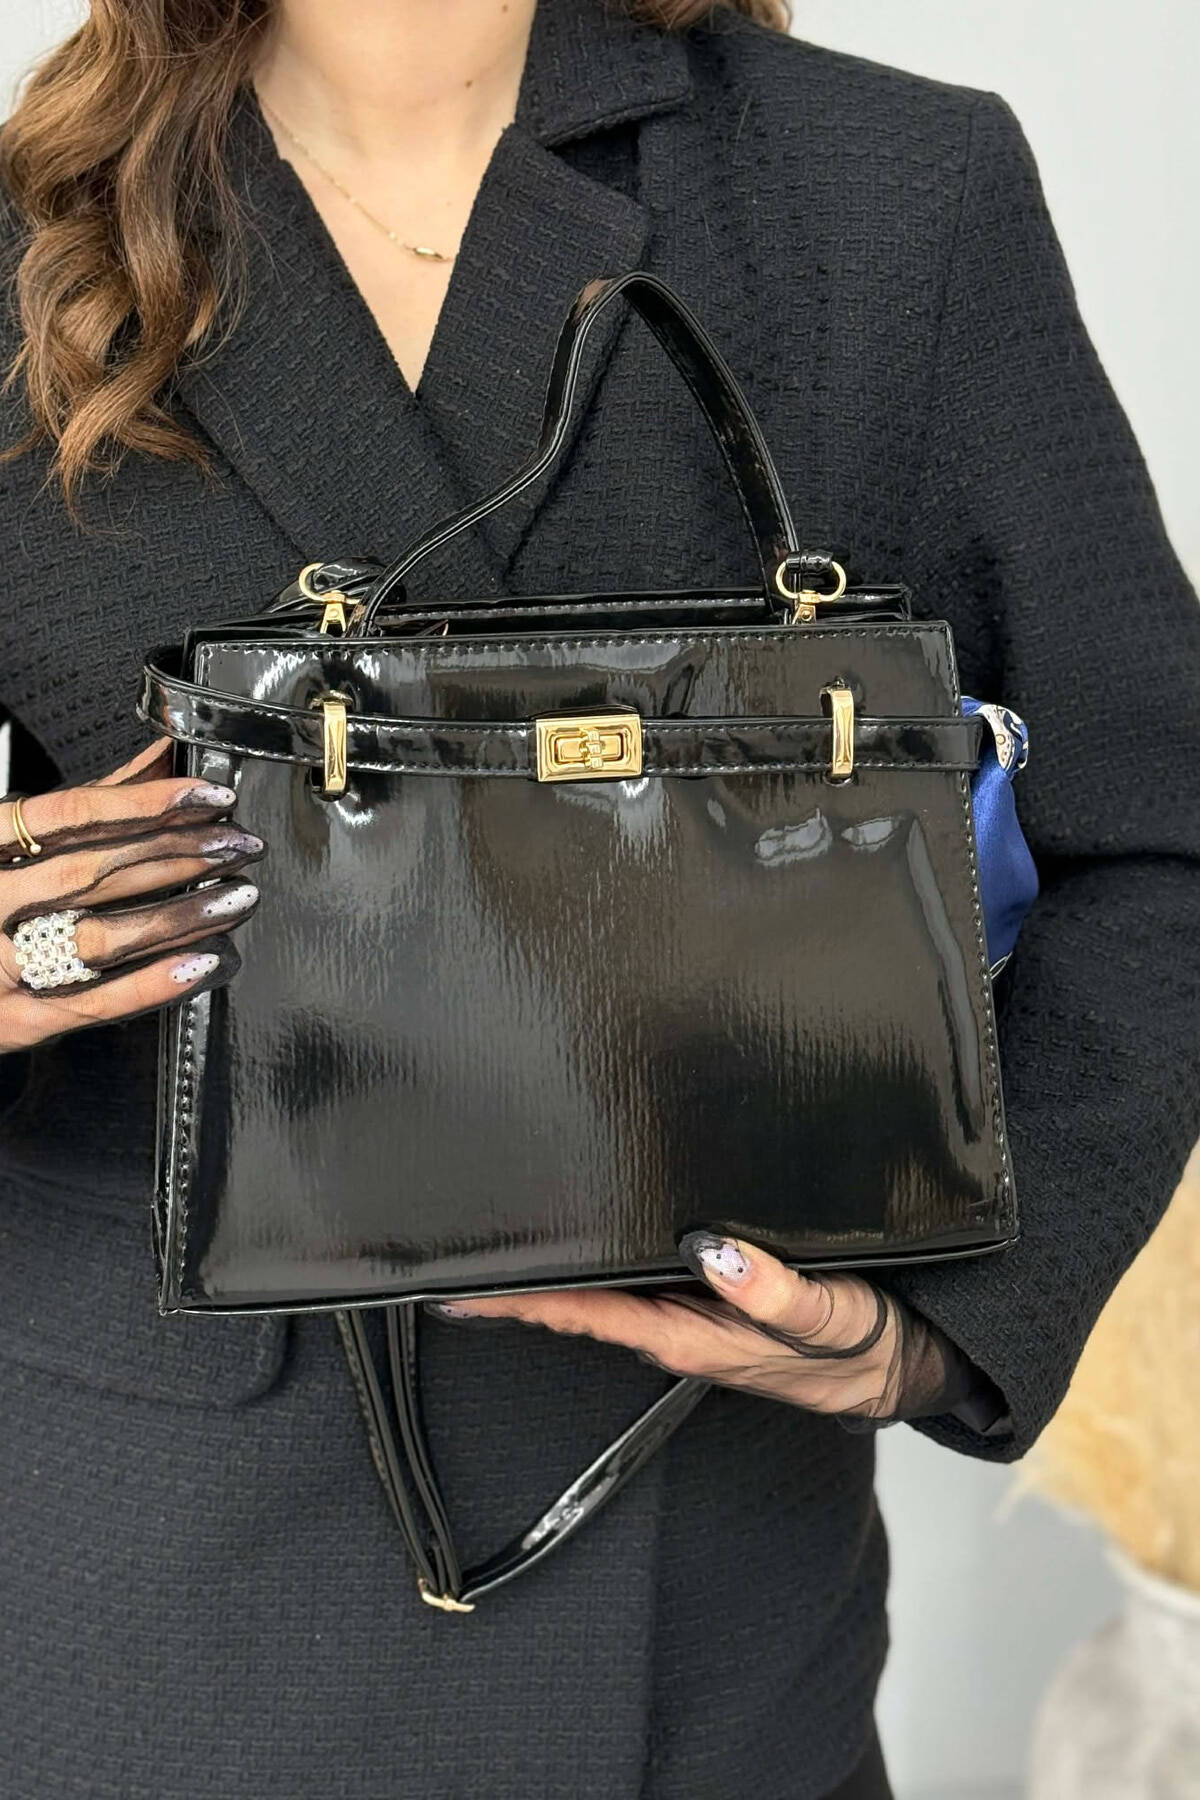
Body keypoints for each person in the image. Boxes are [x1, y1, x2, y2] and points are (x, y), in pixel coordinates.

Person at [0, 0, 1197, 1795]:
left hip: (709, 1612)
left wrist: (939, 1327)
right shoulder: (30, 234)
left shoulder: (888, 188)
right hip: (143, 1593)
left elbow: (1153, 829)